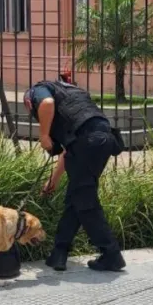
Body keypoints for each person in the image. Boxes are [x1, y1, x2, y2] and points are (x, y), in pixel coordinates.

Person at [24, 78, 126, 272]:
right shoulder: (70, 92)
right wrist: (53, 181)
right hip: (102, 139)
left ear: (29, 103)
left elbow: (46, 103)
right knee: (76, 197)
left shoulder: (37, 91)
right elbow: (68, 152)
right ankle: (59, 254)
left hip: (88, 141)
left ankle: (111, 254)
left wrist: (44, 135)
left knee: (85, 202)